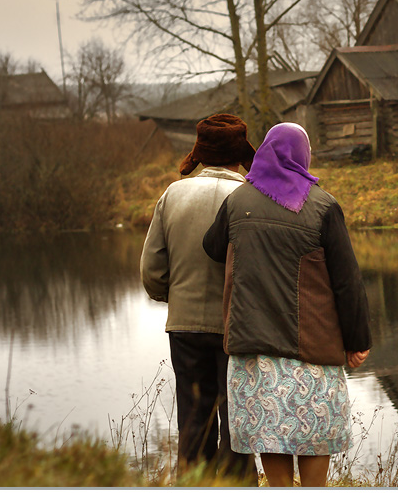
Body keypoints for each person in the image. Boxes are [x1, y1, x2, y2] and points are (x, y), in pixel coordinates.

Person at [202, 122, 372, 487]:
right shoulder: (323, 206)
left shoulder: (237, 202)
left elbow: (213, 248)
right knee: (314, 444)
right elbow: (347, 282)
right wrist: (357, 340)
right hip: (312, 351)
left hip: (254, 352)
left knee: (269, 438)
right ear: (303, 155)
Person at [140, 113, 258, 483]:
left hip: (185, 326)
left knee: (193, 419)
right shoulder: (253, 197)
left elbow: (152, 270)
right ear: (240, 154)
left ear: (201, 153)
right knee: (237, 422)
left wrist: (173, 298)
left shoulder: (172, 194)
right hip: (238, 330)